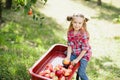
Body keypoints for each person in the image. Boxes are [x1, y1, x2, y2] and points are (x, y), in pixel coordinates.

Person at [64, 14, 92, 80]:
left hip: (84, 55)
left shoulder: (83, 34)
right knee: (65, 63)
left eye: (79, 23)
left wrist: (77, 59)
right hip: (75, 53)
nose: (77, 25)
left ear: (83, 24)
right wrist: (68, 57)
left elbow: (85, 49)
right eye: (75, 22)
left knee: (81, 73)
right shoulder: (70, 32)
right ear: (72, 22)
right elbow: (70, 45)